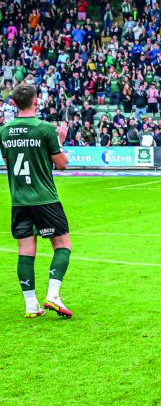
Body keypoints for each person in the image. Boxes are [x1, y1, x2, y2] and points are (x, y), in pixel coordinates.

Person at [1, 83, 72, 318]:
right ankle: (52, 295)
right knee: (62, 245)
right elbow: (61, 163)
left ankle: (31, 305)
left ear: (13, 104)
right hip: (44, 198)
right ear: (36, 101)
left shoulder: (5, 131)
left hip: (19, 200)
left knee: (25, 251)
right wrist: (61, 139)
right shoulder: (45, 129)